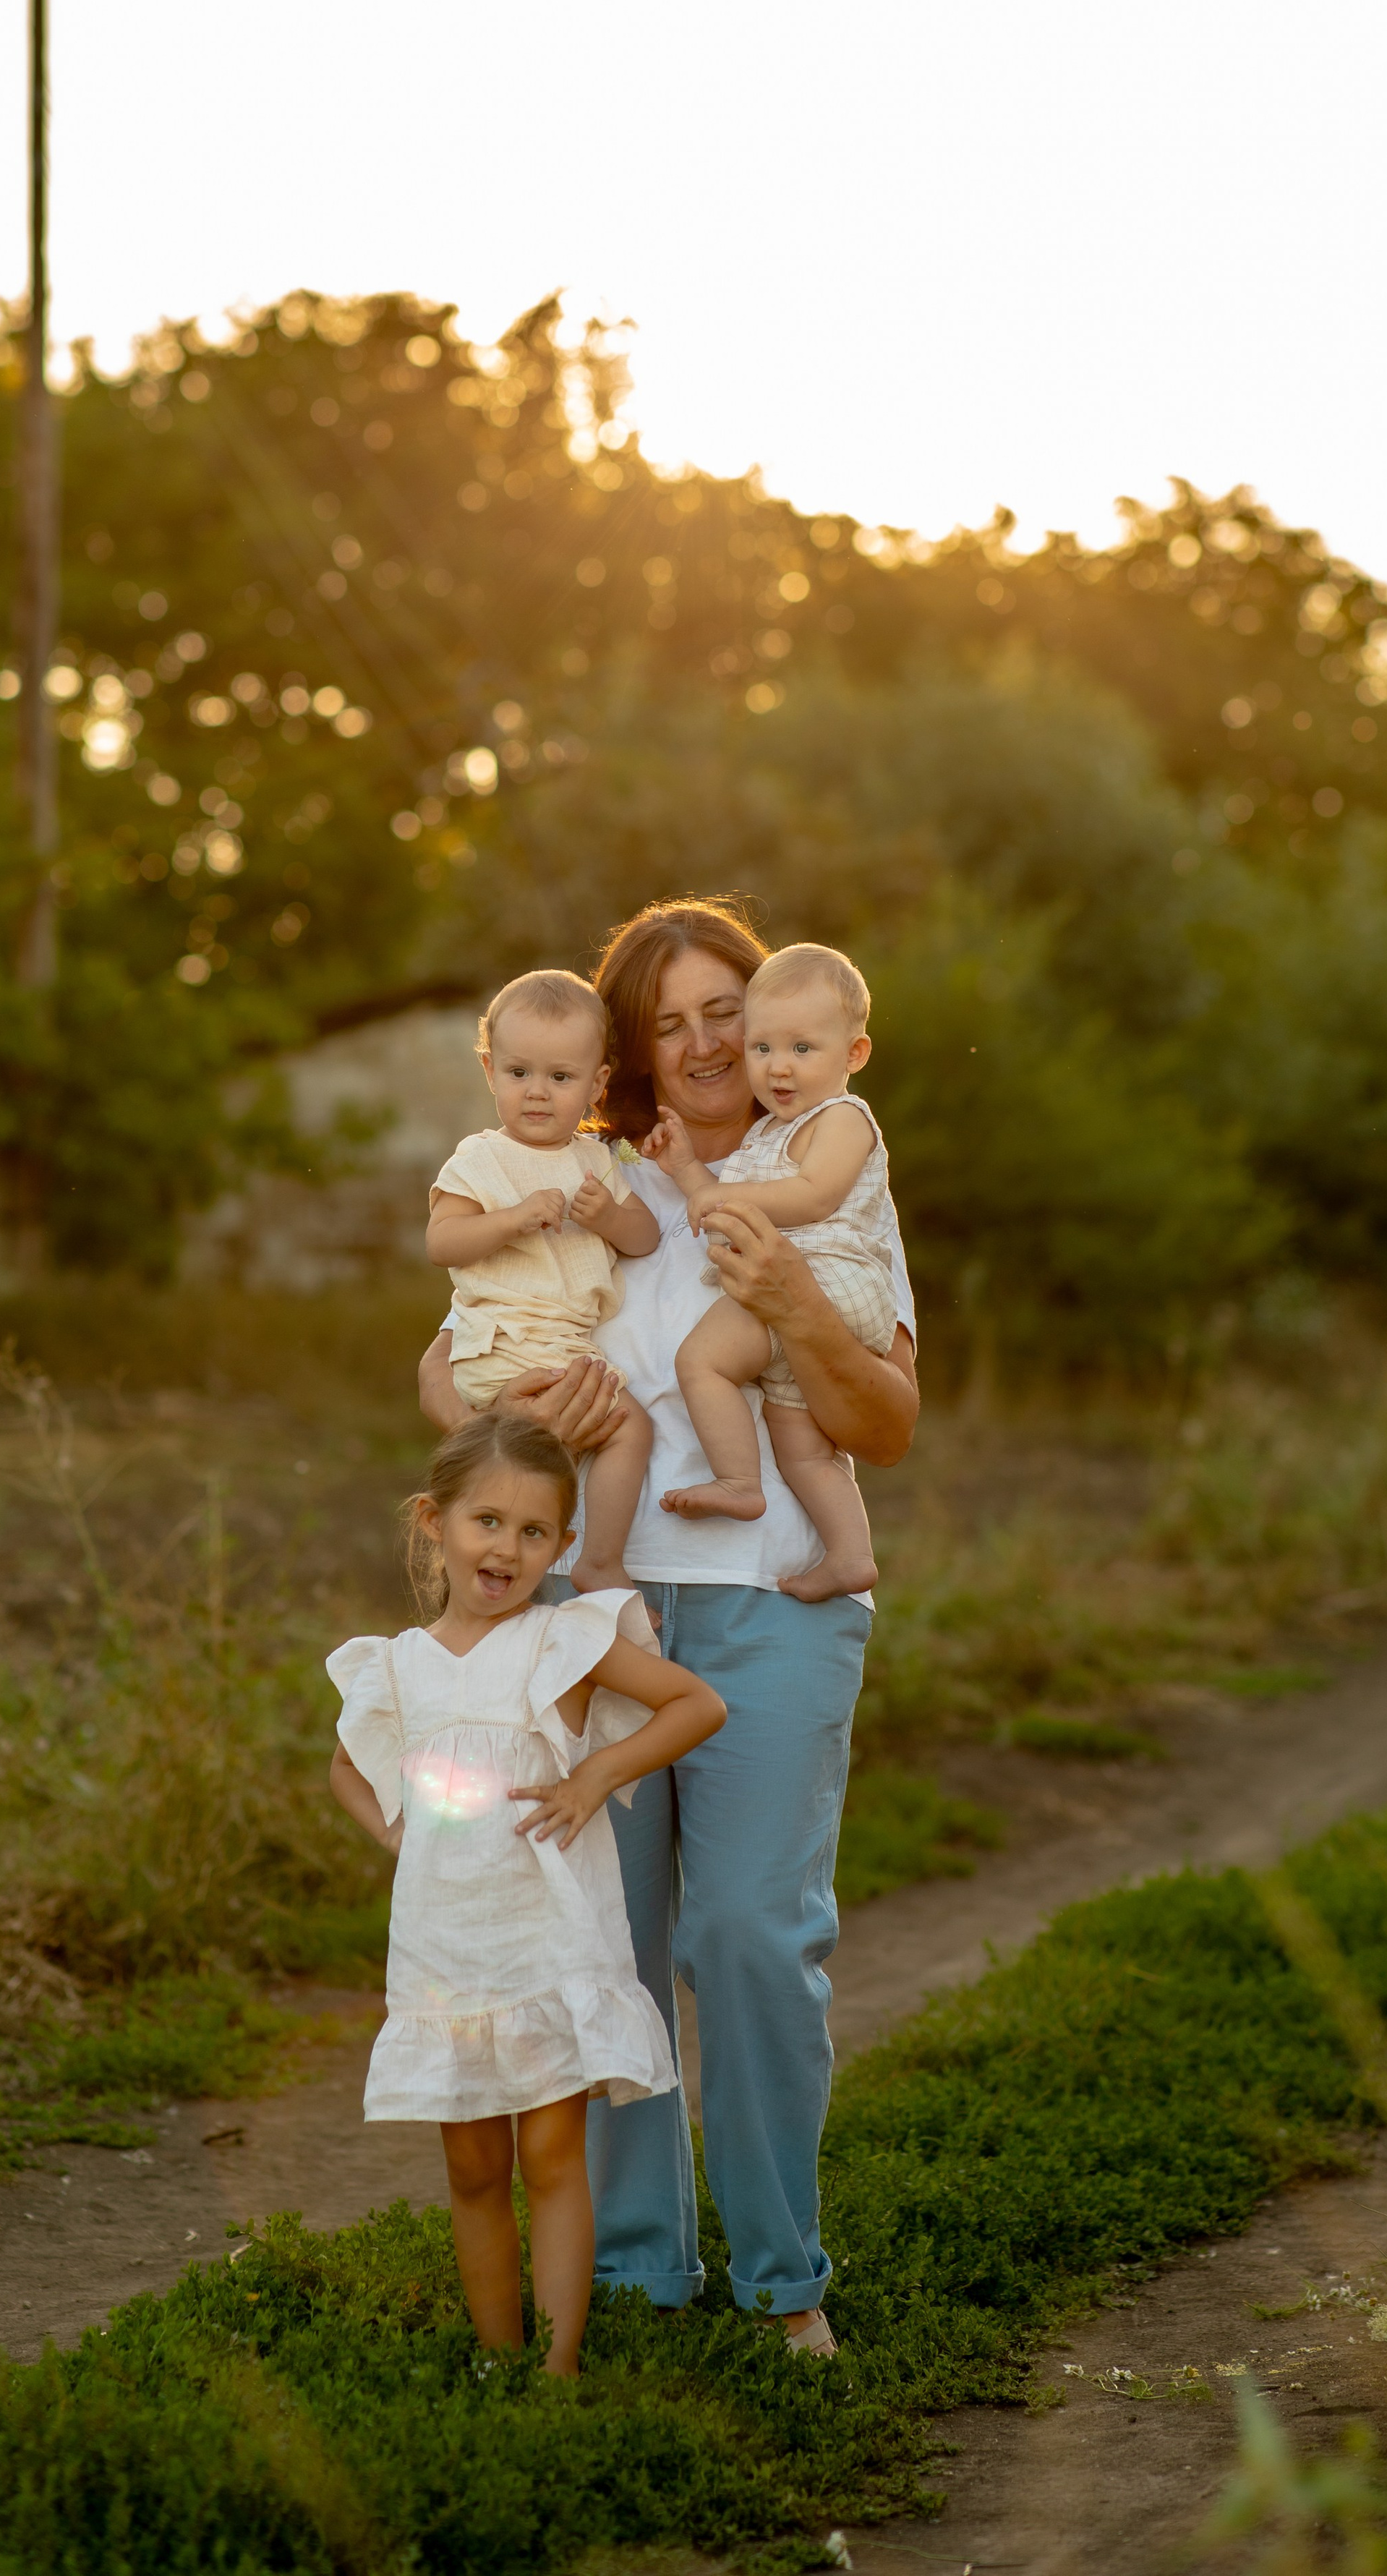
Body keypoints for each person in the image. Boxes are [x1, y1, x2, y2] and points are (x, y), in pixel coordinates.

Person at [419, 897, 918, 2358]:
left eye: (733, 1013)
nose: (708, 1043)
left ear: (781, 1033)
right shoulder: (582, 1181)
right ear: (632, 1046)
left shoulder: (820, 1171)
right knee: (607, 1946)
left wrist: (794, 1311)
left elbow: (882, 1423)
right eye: (675, 1020)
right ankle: (639, 2272)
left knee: (753, 1937)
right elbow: (443, 1377)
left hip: (774, 1608)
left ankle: (781, 2280)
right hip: (590, 1615)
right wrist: (518, 1411)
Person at [326, 1409, 726, 2378]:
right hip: (446, 1952)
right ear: (435, 1522)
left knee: (551, 2159)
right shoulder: (398, 1664)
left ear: (562, 1544)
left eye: (535, 1531)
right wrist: (400, 1830)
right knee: (472, 2168)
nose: (508, 1547)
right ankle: (498, 2359)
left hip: (547, 1944)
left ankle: (557, 2370)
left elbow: (696, 1704)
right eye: (487, 1522)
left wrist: (595, 1777)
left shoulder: (563, 1642)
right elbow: (348, 1766)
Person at [646, 941, 894, 1601]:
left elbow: (813, 1197)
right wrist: (686, 1173)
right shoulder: (770, 1136)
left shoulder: (843, 1118)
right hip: (805, 1309)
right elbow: (723, 1190)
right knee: (805, 1449)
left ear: (855, 1055)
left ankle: (738, 1484)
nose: (778, 1069)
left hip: (826, 1285)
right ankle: (850, 1555)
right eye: (763, 1049)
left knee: (702, 1360)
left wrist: (721, 1197)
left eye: (802, 1050)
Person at [425, 968, 660, 1595]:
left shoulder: (596, 1161)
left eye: (560, 1078)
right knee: (555, 1454)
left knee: (625, 1430)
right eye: (518, 1073)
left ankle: (591, 1560)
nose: (537, 1093)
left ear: (597, 1084)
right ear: (489, 1070)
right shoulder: (480, 1158)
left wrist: (608, 1216)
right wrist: (510, 1220)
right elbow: (441, 1241)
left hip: (566, 1348)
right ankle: (537, 1572)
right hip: (505, 1345)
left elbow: (647, 1238)